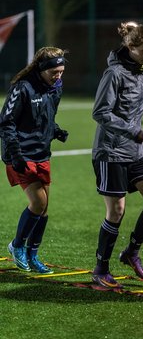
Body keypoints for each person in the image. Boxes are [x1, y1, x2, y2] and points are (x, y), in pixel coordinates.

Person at [91, 21, 143, 288]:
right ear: (130, 47)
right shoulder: (113, 74)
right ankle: (100, 269)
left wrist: (135, 136)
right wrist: (131, 130)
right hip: (110, 150)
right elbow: (100, 112)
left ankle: (131, 252)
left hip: (136, 151)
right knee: (116, 211)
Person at [0, 46, 68, 274]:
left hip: (41, 152)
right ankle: (17, 246)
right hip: (20, 154)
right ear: (41, 69)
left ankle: (33, 253)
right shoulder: (23, 88)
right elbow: (6, 122)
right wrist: (15, 154)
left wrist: (55, 130)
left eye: (61, 71)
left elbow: (46, 116)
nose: (58, 76)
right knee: (38, 203)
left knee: (44, 208)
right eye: (54, 72)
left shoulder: (55, 87)